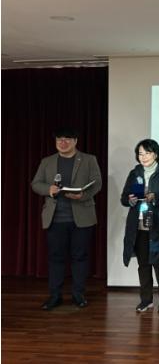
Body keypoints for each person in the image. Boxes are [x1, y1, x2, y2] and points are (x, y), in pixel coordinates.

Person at [31, 127, 102, 310]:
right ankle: (55, 296)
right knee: (56, 258)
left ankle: (78, 294)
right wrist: (48, 189)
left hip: (82, 217)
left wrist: (83, 195)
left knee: (80, 257)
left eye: (67, 139)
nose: (62, 143)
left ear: (75, 141)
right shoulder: (47, 161)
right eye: (59, 140)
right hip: (55, 218)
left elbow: (97, 183)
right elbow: (36, 183)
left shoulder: (89, 159)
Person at [121, 139, 159, 313]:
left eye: (147, 153)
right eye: (140, 153)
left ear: (156, 154)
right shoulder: (135, 172)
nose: (143, 157)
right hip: (139, 225)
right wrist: (130, 200)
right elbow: (124, 197)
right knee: (143, 264)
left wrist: (155, 197)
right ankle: (146, 300)